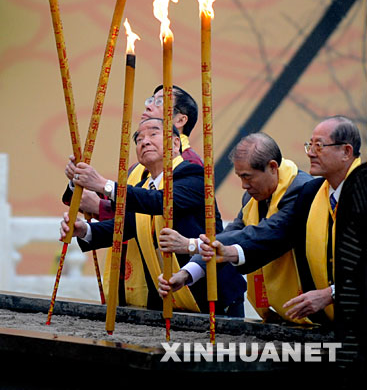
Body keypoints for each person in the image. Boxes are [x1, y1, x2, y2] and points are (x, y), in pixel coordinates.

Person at [179, 116, 362, 324]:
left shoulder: (307, 190)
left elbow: (269, 233)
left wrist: (330, 294)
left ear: (346, 152)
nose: (310, 152)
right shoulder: (313, 192)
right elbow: (263, 236)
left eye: (319, 146)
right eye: (309, 145)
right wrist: (204, 263)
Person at [60, 118, 246, 315]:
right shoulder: (142, 187)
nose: (145, 141)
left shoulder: (193, 174)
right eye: (139, 139)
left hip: (212, 294)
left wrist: (104, 185)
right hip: (168, 295)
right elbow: (126, 226)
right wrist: (85, 230)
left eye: (153, 134)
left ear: (175, 143)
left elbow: (162, 202)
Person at [158, 132, 313, 323]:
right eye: (240, 177)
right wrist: (186, 273)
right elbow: (232, 234)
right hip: (279, 310)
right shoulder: (252, 197)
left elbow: (265, 234)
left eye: (248, 177)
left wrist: (192, 244)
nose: (243, 185)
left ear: (272, 167)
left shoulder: (302, 189)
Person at [62, 85, 203, 220]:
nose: (148, 106)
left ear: (180, 120)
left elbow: (157, 210)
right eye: (150, 100)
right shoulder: (138, 167)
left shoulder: (188, 164)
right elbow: (119, 200)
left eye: (160, 102)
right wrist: (81, 179)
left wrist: (100, 207)